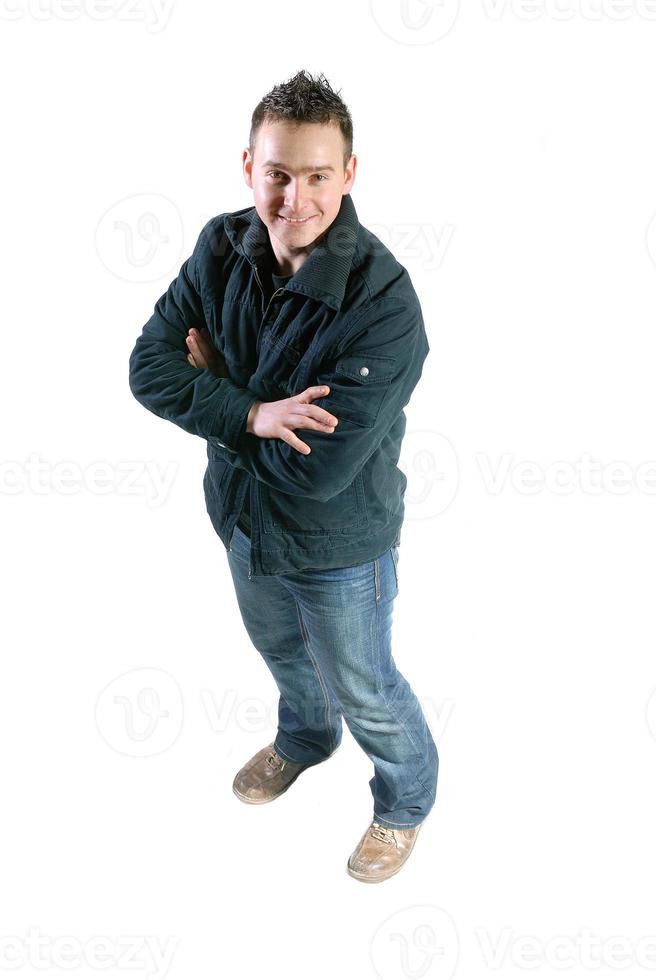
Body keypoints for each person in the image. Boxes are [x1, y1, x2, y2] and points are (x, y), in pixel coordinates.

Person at [128, 70, 438, 883]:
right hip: (240, 521)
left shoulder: (385, 304)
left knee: (364, 684)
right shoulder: (220, 245)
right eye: (277, 173)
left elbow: (319, 471)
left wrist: (219, 386)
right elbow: (146, 367)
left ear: (349, 174)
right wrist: (255, 411)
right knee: (281, 653)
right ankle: (306, 739)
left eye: (316, 175)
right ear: (248, 167)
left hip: (339, 544)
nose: (293, 197)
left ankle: (404, 803)